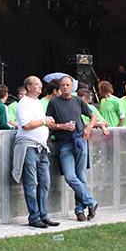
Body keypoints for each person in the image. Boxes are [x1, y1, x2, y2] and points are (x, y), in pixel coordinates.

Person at [46, 75, 101, 221]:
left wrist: (89, 127)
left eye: (68, 85)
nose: (65, 87)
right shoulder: (54, 103)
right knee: (70, 176)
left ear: (72, 87)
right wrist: (61, 126)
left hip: (80, 140)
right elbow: (49, 123)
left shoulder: (77, 101)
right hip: (64, 143)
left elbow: (93, 115)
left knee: (81, 177)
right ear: (59, 87)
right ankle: (91, 202)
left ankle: (80, 210)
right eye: (63, 85)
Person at [12, 76, 58, 228]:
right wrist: (45, 121)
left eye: (40, 84)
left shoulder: (38, 102)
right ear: (29, 87)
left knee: (44, 182)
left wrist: (46, 121)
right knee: (31, 183)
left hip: (41, 147)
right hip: (29, 147)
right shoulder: (23, 103)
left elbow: (37, 122)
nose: (40, 87)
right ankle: (34, 216)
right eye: (37, 85)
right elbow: (25, 125)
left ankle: (43, 215)